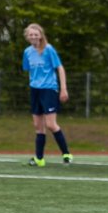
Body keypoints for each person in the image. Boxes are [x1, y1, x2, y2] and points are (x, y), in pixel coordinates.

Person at [21, 23, 73, 167]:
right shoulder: (27, 52)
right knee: (38, 126)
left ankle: (66, 154)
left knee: (50, 124)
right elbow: (29, 71)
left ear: (41, 35)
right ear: (27, 36)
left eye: (36, 34)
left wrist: (63, 89)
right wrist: (32, 85)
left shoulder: (49, 49)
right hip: (35, 90)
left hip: (49, 89)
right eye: (30, 34)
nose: (33, 36)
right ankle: (39, 159)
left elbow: (60, 68)